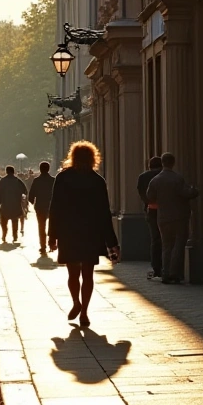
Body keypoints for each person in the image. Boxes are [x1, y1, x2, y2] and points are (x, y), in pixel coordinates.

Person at [48, 141, 118, 329]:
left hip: (69, 231)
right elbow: (104, 212)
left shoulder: (63, 178)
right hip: (90, 232)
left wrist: (52, 236)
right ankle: (85, 311)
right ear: (93, 158)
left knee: (72, 273)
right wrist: (112, 242)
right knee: (88, 274)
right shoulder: (97, 180)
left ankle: (76, 303)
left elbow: (55, 208)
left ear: (73, 157)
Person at [146, 152, 199, 285]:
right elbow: (185, 193)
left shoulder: (155, 180)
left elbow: (150, 197)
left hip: (163, 217)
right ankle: (174, 273)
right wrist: (194, 191)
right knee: (179, 244)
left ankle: (165, 273)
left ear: (163, 163)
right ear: (173, 163)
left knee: (166, 245)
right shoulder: (177, 178)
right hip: (179, 216)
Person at [136, 156, 164, 280]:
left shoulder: (143, 177)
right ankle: (166, 266)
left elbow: (142, 194)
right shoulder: (163, 175)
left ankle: (156, 267)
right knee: (168, 239)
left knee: (155, 239)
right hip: (166, 210)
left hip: (151, 210)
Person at [0, 165, 28, 243]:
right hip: (15, 204)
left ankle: (4, 235)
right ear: (13, 172)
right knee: (15, 221)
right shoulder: (17, 181)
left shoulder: (2, 181)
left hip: (5, 205)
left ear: (6, 172)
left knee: (3, 222)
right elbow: (25, 191)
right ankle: (15, 236)